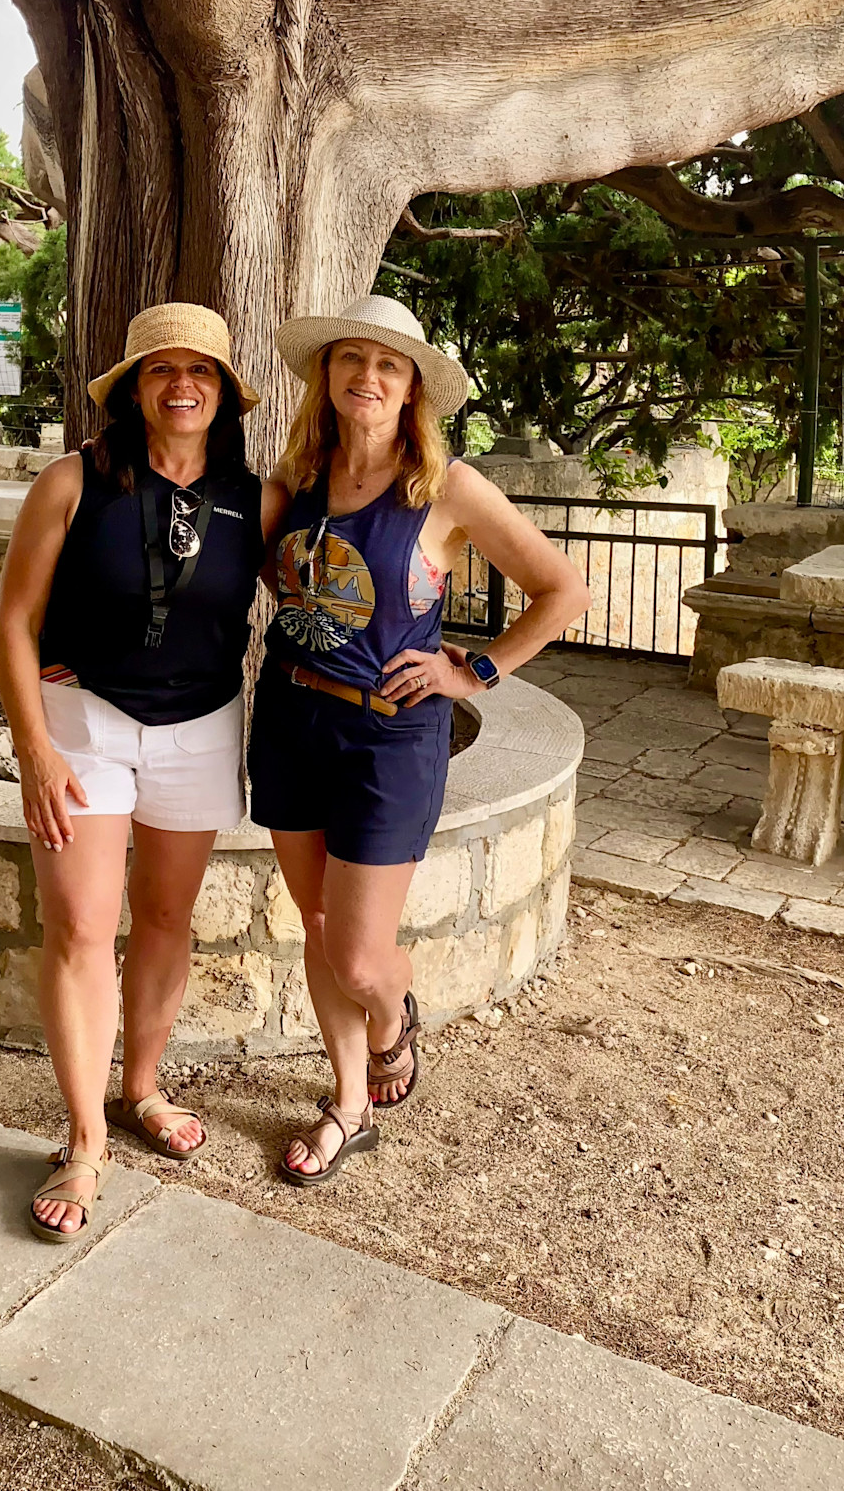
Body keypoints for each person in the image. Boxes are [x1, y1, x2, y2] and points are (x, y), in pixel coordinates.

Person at [248, 294, 590, 1185]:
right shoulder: (293, 481)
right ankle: (347, 1105)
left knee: (360, 955)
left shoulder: (446, 488)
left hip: (390, 738)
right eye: (350, 358)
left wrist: (474, 672)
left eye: (388, 365)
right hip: (290, 718)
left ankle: (394, 1016)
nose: (367, 376)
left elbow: (563, 591)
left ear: (412, 391)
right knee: (316, 922)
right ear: (326, 375)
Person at [0, 302, 281, 1243]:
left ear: (224, 394)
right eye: (161, 369)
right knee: (81, 926)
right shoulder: (73, 481)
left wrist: (438, 656)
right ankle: (84, 1141)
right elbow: (14, 622)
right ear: (133, 390)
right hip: (84, 723)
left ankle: (141, 1090)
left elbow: (328, 580)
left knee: (164, 917)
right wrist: (34, 748)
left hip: (201, 727)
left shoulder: (256, 499)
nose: (182, 385)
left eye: (200, 371)